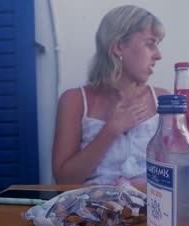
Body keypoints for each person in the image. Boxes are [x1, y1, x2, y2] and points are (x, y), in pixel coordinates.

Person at [52, 5, 170, 185]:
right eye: (150, 43)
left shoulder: (164, 100)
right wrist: (112, 129)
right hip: (92, 210)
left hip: (151, 210)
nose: (159, 55)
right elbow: (64, 179)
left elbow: (178, 174)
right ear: (119, 47)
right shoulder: (74, 101)